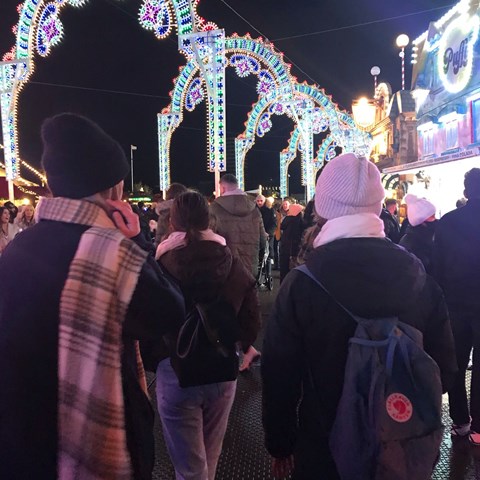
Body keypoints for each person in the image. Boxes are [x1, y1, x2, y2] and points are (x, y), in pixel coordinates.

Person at [0, 113, 185, 480]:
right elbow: (168, 311)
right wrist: (134, 241)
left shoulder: (18, 249)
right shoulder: (111, 253)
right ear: (112, 189)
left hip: (24, 434)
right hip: (95, 437)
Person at [262, 153, 456, 480]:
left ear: (321, 208)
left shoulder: (302, 284)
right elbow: (446, 371)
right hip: (400, 453)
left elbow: (279, 376)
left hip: (324, 453)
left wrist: (280, 444)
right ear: (378, 206)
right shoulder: (419, 278)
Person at [154, 191, 261, 480]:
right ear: (208, 220)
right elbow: (251, 319)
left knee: (189, 468)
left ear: (172, 222)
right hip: (222, 366)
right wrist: (241, 344)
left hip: (175, 370)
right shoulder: (230, 260)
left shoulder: (160, 264)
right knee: (209, 457)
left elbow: (147, 322)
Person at [433, 168, 480, 445]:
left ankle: (461, 422)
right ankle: (479, 427)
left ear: (465, 192)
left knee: (457, 363)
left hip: (455, 304)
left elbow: (437, 266)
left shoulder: (448, 222)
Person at [210, 174, 266, 277]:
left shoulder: (215, 208)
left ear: (223, 187)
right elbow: (263, 240)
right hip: (249, 267)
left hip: (225, 267)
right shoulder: (254, 209)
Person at [399, 194, 437, 274]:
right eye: (432, 217)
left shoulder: (428, 236)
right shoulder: (410, 243)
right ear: (421, 221)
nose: (435, 220)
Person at [279, 203, 304, 283]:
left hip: (286, 249)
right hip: (296, 250)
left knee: (284, 272)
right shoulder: (301, 221)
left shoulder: (287, 220)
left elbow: (282, 227)